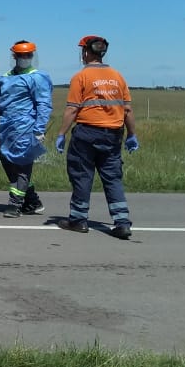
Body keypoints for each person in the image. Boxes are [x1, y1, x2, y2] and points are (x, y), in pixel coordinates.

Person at [55, 35, 138, 239]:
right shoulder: (118, 76)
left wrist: (61, 134)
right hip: (113, 135)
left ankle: (78, 219)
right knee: (112, 178)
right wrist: (132, 135)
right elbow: (127, 110)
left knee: (82, 175)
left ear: (86, 52)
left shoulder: (81, 77)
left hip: (86, 134)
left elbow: (72, 110)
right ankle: (122, 222)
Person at [0, 40, 52, 217]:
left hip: (25, 128)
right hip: (5, 128)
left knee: (22, 166)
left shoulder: (37, 77)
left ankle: (15, 204)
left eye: (28, 55)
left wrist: (39, 129)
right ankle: (32, 200)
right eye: (22, 55)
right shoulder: (4, 78)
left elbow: (43, 104)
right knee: (7, 162)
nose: (25, 58)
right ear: (15, 56)